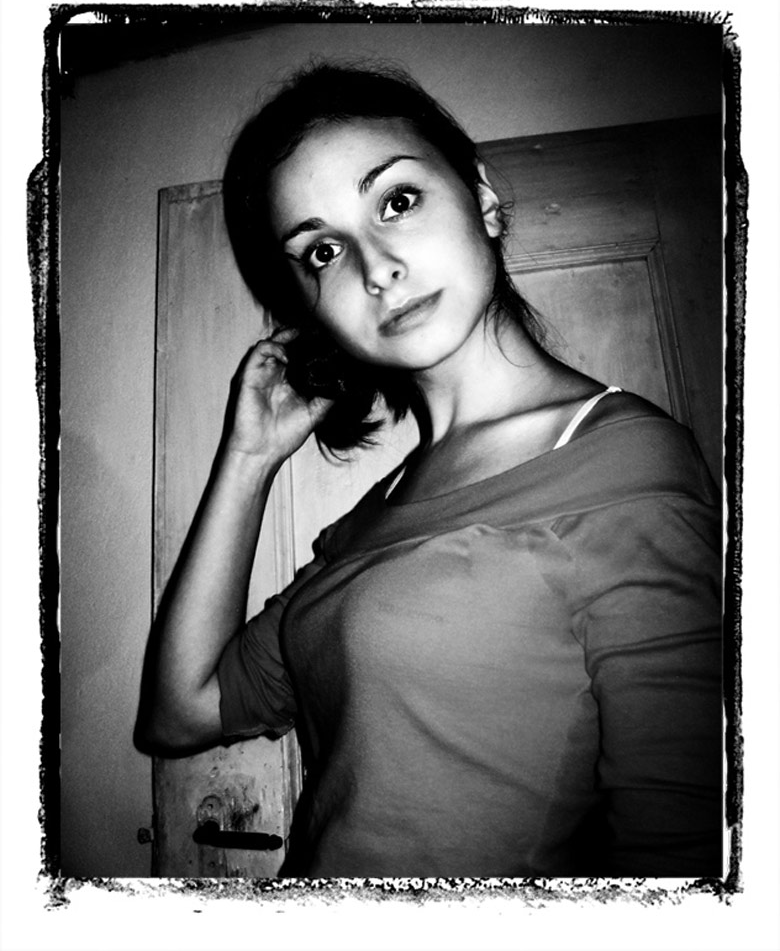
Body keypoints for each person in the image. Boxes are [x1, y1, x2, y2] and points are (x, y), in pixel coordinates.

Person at [138, 62, 723, 878]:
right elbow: (179, 712)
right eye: (323, 250)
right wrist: (249, 460)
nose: (374, 267)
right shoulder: (369, 517)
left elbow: (683, 858)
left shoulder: (624, 462)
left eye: (397, 200)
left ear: (483, 199)